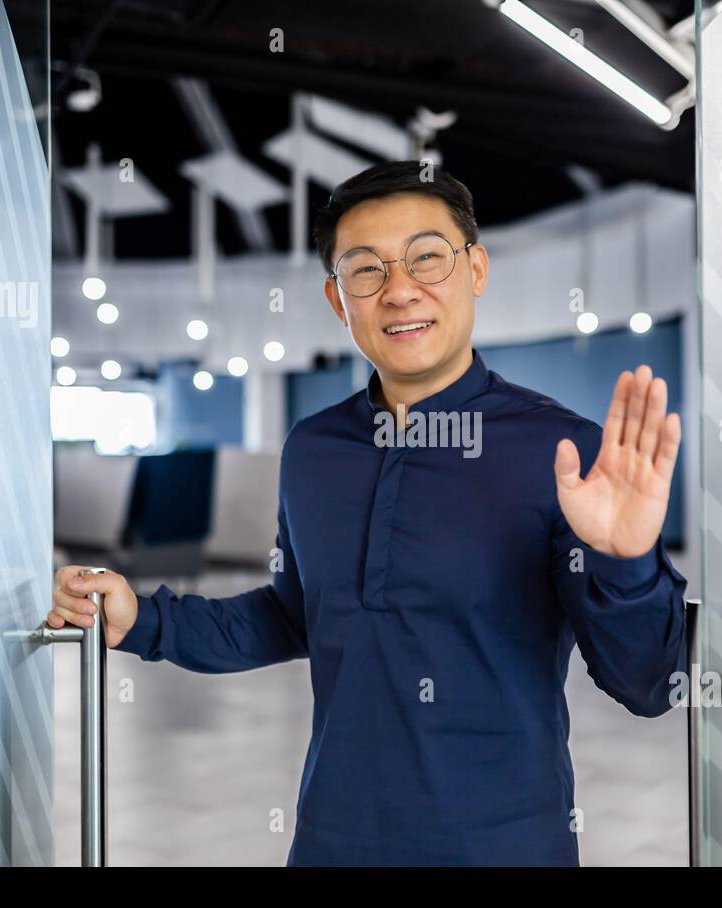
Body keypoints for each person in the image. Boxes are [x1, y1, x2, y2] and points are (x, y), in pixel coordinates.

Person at [47, 159, 687, 866]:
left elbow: (648, 685)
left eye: (427, 258)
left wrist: (627, 563)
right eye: (366, 270)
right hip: (332, 843)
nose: (400, 290)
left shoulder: (562, 451)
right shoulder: (314, 451)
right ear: (336, 298)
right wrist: (146, 618)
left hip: (505, 846)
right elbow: (293, 615)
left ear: (475, 268)